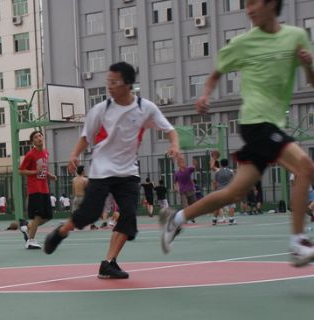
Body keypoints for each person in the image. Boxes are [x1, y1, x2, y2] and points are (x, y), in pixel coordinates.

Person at [161, 0, 314, 266]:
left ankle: (176, 219)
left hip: (273, 124)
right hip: (255, 122)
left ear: (272, 4)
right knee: (305, 167)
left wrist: (307, 64)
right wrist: (205, 95)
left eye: (254, 3)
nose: (249, 9)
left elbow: (312, 81)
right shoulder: (243, 43)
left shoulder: (296, 36)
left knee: (233, 193)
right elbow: (216, 73)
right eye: (246, 4)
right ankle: (298, 242)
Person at [44, 61, 182, 279]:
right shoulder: (101, 109)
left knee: (128, 216)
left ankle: (108, 263)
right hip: (102, 169)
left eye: (114, 82)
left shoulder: (145, 108)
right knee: (89, 214)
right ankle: (61, 232)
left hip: (128, 172)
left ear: (127, 84)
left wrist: (174, 145)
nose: (109, 86)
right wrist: (74, 154)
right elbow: (86, 137)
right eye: (108, 81)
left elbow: (169, 129)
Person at [18, 130, 57, 249]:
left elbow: (43, 170)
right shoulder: (30, 154)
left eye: (40, 136)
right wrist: (35, 172)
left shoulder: (45, 153)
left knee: (48, 216)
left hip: (44, 188)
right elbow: (21, 171)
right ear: (33, 142)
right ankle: (30, 240)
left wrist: (50, 175)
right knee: (38, 215)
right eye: (36, 137)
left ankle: (28, 227)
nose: (39, 138)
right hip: (35, 189)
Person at [211, 158, 236, 225]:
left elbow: (214, 182)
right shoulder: (231, 171)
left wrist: (215, 189)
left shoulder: (217, 171)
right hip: (229, 190)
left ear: (221, 164)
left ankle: (214, 220)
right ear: (227, 164)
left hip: (220, 190)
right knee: (231, 205)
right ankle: (231, 219)